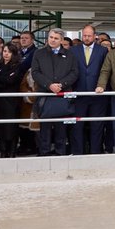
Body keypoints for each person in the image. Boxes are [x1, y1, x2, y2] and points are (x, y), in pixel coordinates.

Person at [30, 29, 80, 157]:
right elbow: (35, 72)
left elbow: (74, 73)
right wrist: (49, 85)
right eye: (51, 37)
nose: (52, 40)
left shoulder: (70, 55)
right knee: (44, 129)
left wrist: (61, 85)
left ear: (62, 40)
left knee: (61, 129)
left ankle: (60, 153)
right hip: (44, 95)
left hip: (62, 96)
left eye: (56, 38)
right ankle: (44, 153)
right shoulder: (39, 53)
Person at [72, 24, 111, 154]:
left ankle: (96, 153)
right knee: (77, 126)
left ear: (95, 36)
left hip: (98, 94)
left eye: (89, 35)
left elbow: (105, 71)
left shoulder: (103, 51)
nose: (87, 38)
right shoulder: (73, 50)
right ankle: (78, 153)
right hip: (79, 94)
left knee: (97, 126)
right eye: (84, 35)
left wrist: (103, 87)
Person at [0, 43, 24, 158]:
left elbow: (11, 80)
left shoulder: (17, 66)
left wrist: (0, 80)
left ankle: (11, 151)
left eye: (9, 52)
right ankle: (2, 151)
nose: (6, 54)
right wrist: (3, 80)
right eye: (5, 51)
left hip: (11, 102)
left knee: (11, 127)